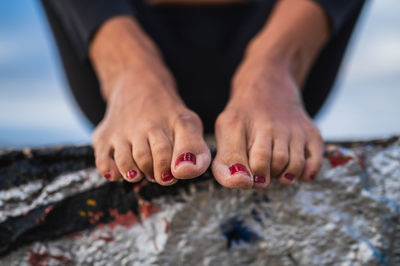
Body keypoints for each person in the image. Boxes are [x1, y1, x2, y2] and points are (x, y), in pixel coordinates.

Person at [41, 0, 365, 189]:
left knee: (275, 59)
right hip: (114, 21)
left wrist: (276, 60)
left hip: (292, 23)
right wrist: (129, 64)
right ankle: (128, 65)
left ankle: (276, 63)